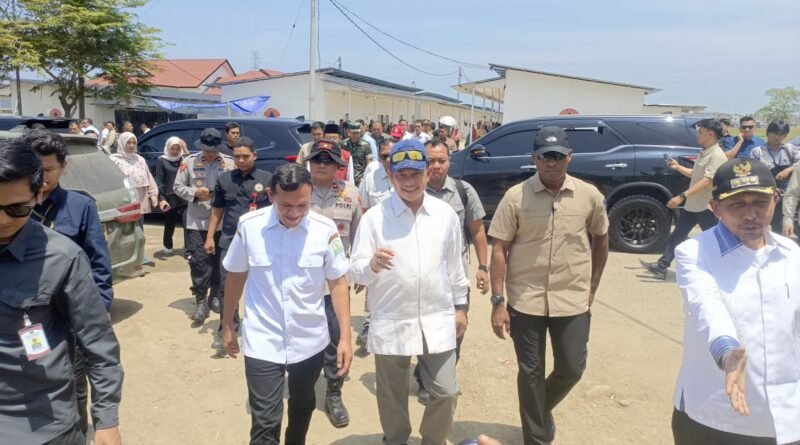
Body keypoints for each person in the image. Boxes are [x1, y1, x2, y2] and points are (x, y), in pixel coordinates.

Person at [488, 126, 609, 445]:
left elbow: (601, 238)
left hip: (572, 298)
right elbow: (499, 249)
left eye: (557, 156)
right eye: (544, 156)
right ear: (534, 158)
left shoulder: (589, 195)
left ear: (569, 157)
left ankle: (538, 413)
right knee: (530, 372)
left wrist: (593, 286)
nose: (551, 162)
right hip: (525, 299)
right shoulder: (516, 196)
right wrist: (498, 301)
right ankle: (537, 437)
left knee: (572, 367)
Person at [0, 139, 124, 445]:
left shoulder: (62, 258)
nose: (2, 220)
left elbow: (98, 343)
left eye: (17, 209)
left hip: (42, 425)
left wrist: (106, 420)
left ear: (38, 194)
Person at [221, 163, 353, 445]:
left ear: (311, 195)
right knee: (265, 421)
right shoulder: (249, 227)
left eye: (302, 205)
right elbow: (235, 277)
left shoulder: (325, 230)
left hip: (309, 340)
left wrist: (345, 337)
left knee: (303, 404)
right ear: (271, 195)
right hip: (262, 340)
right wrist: (227, 325)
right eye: (285, 206)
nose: (294, 213)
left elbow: (338, 283)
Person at [672, 158, 800, 445]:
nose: (750, 214)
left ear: (775, 199)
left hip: (786, 417)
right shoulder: (695, 253)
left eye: (760, 202)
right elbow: (707, 305)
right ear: (715, 207)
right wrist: (727, 351)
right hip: (714, 414)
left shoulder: (791, 253)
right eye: (737, 204)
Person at [350, 139, 469, 445]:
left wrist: (461, 307)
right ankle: (396, 439)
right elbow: (356, 270)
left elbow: (455, 267)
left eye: (415, 174)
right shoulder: (374, 218)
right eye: (401, 175)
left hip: (436, 317)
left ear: (428, 173)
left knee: (446, 390)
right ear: (391, 177)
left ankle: (433, 440)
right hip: (392, 318)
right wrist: (372, 265)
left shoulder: (445, 215)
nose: (408, 182)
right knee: (392, 395)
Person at [24, 129, 115, 434]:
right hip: (22, 319)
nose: (41, 177)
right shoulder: (11, 206)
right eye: (34, 168)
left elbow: (99, 264)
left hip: (68, 320)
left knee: (74, 388)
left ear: (63, 167)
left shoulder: (80, 206)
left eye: (47, 169)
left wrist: (98, 313)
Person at [410, 138, 489, 404]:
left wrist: (483, 267)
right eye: (430, 161)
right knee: (425, 329)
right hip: (424, 278)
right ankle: (425, 378)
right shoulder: (412, 191)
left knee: (457, 328)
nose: (436, 166)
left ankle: (444, 374)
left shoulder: (463, 191)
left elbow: (477, 230)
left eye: (441, 161)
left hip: (456, 278)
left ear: (449, 162)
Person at [305, 138, 363, 428]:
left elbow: (360, 235)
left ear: (339, 165)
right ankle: (300, 387)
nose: (322, 165)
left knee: (336, 337)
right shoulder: (297, 189)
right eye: (317, 159)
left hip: (336, 284)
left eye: (328, 161)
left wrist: (361, 272)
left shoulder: (350, 193)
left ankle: (333, 394)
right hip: (302, 282)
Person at [206, 136, 272, 352]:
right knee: (226, 286)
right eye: (237, 157)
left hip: (261, 242)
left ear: (255, 155)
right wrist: (210, 237)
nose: (241, 160)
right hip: (230, 240)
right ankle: (227, 328)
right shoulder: (224, 179)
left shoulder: (267, 179)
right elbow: (217, 209)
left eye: (245, 156)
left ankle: (263, 328)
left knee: (263, 286)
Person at [641, 119, 728, 280]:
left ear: (711, 134)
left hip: (706, 207)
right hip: (694, 204)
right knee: (678, 235)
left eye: (700, 132)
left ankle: (725, 271)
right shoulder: (704, 152)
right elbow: (695, 174)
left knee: (716, 240)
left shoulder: (717, 155)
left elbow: (707, 180)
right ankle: (662, 266)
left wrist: (682, 196)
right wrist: (677, 167)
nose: (697, 135)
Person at [173, 128, 235, 324]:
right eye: (206, 150)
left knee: (219, 261)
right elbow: (177, 187)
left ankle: (215, 294)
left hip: (222, 222)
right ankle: (200, 300)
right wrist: (194, 192)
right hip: (197, 222)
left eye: (213, 151)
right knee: (199, 262)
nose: (210, 154)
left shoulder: (229, 163)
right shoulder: (189, 162)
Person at [355, 138, 394, 348]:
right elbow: (364, 210)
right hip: (378, 242)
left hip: (402, 239)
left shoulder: (407, 176)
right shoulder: (371, 178)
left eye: (391, 156)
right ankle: (369, 324)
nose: (388, 160)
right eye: (384, 156)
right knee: (374, 281)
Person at [110, 132, 159, 267]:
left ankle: (140, 255)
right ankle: (123, 257)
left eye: (133, 143)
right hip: (124, 199)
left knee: (139, 228)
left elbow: (148, 177)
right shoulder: (114, 160)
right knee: (123, 229)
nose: (131, 146)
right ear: (122, 143)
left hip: (140, 198)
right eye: (128, 143)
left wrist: (153, 194)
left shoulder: (140, 159)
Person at [749, 120, 798, 232]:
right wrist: (770, 188)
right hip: (767, 193)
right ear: (767, 133)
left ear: (785, 135)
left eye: (781, 134)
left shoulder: (790, 149)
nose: (777, 137)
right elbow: (753, 174)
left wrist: (788, 170)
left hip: (789, 192)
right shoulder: (757, 152)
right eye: (774, 133)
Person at [155, 136, 189, 255]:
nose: (175, 151)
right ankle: (168, 245)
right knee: (170, 223)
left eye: (177, 149)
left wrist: (185, 148)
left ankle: (188, 250)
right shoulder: (162, 160)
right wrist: (161, 198)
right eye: (172, 148)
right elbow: (159, 180)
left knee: (187, 223)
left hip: (184, 196)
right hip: (170, 197)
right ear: (168, 148)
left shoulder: (184, 159)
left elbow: (193, 164)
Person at [343, 122, 373, 186]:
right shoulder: (344, 144)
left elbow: (369, 162)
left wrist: (365, 176)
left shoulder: (365, 144)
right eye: (353, 133)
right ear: (349, 133)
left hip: (361, 178)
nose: (355, 135)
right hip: (347, 176)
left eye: (357, 133)